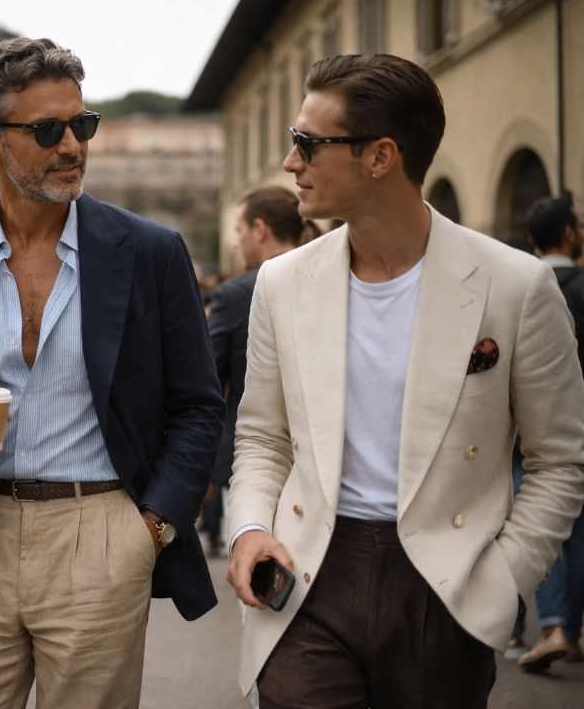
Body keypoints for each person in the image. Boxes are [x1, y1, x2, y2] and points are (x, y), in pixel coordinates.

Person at [224, 53, 584, 707]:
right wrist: (249, 527)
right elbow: (262, 438)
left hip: (445, 582)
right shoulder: (282, 283)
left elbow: (558, 460)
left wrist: (504, 580)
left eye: (307, 143)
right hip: (309, 578)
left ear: (381, 156)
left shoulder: (515, 286)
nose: (290, 162)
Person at [0, 37, 224, 709]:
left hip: (101, 529)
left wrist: (151, 530)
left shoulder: (153, 252)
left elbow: (198, 406)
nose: (73, 145)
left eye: (83, 124)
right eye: (48, 130)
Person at [204, 186, 301, 557]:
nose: (238, 241)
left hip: (258, 446)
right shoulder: (329, 276)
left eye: (241, 231)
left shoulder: (235, 293)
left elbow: (208, 374)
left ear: (260, 230)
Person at [513, 195, 584, 671]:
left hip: (523, 434)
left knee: (528, 525)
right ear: (569, 234)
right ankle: (567, 629)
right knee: (576, 532)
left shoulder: (515, 287)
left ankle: (548, 625)